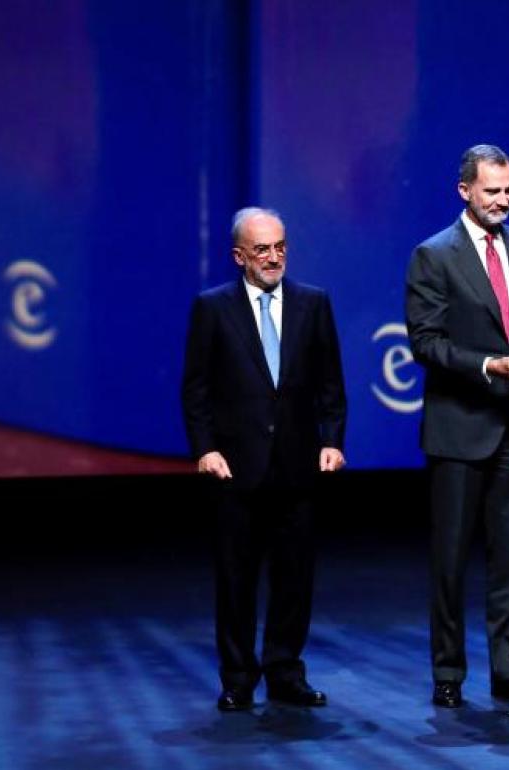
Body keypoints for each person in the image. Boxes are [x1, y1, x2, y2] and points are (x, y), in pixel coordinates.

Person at [181, 207, 347, 711]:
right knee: (236, 580)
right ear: (239, 256)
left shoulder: (312, 303)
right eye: (261, 250)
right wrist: (205, 449)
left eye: (280, 247)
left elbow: (330, 386)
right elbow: (196, 389)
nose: (273, 257)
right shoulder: (212, 308)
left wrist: (332, 440)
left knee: (295, 579)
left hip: (297, 467)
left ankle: (284, 673)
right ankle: (237, 677)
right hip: (236, 468)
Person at [405, 144, 509, 708]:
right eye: (492, 191)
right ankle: (448, 672)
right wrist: (489, 365)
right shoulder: (433, 255)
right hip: (459, 427)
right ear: (464, 190)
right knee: (450, 560)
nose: (503, 201)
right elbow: (425, 342)